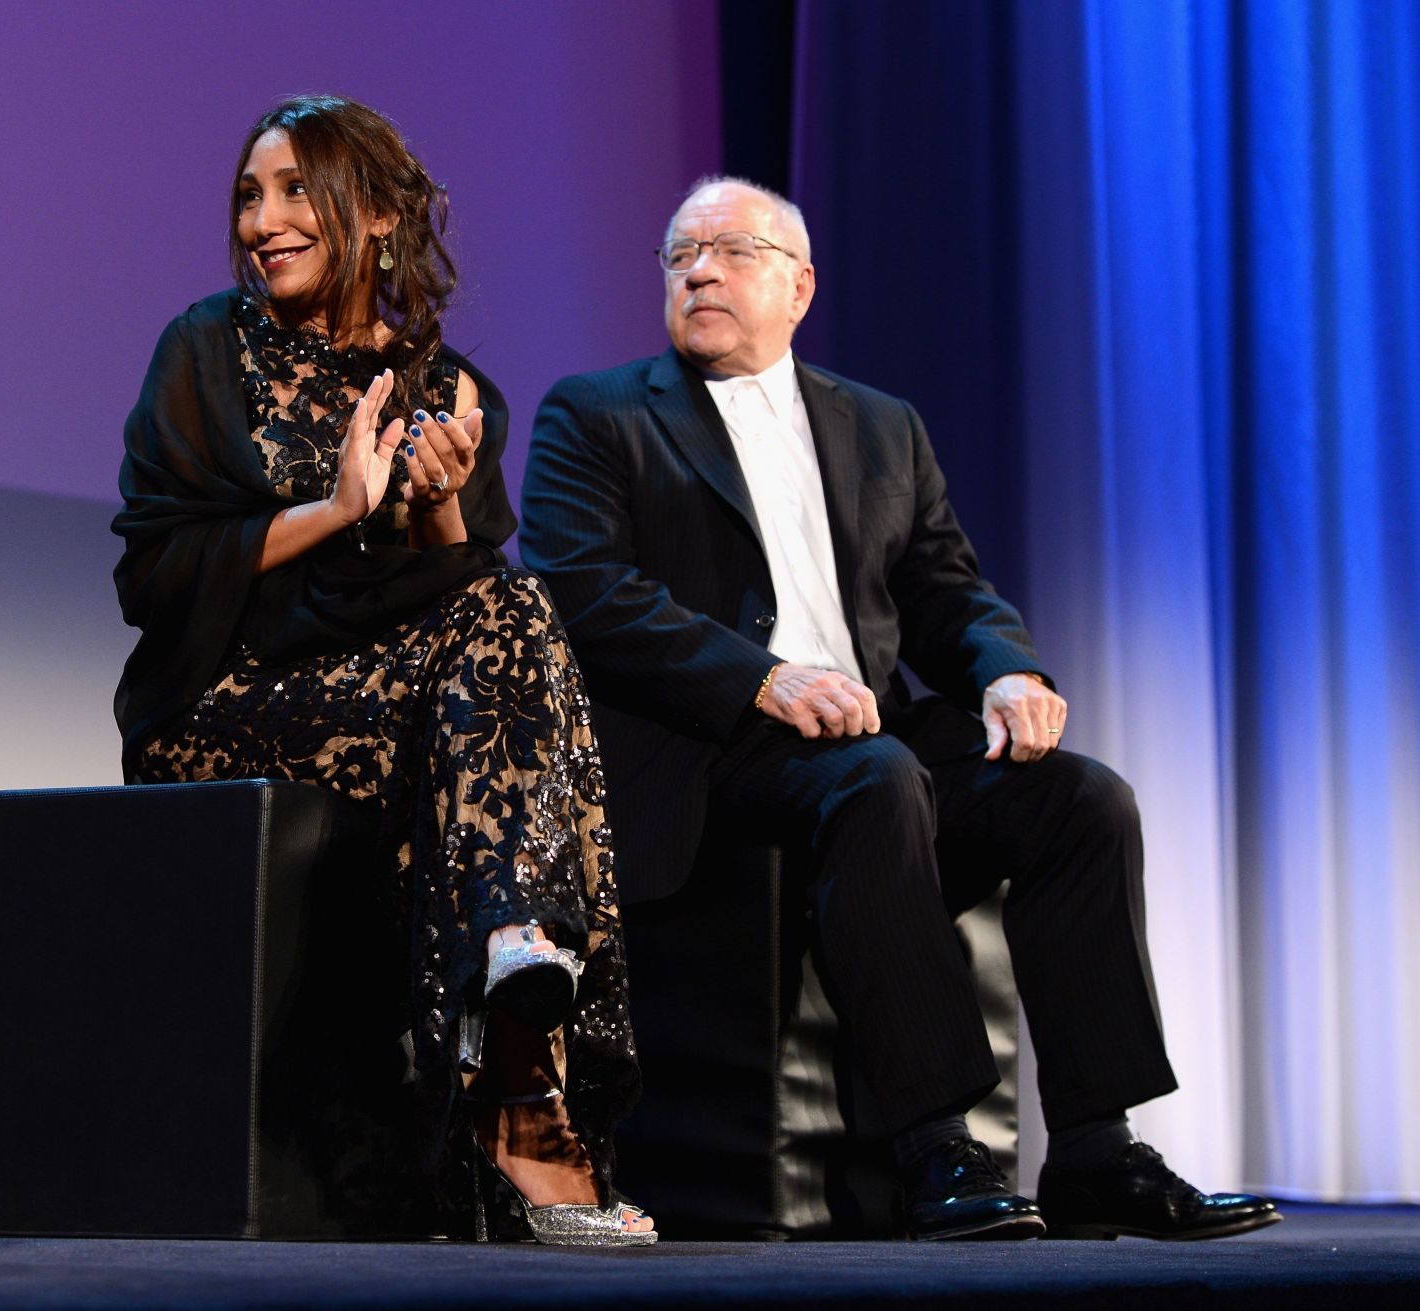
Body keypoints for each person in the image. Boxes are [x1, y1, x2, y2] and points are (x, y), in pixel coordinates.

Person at [519, 176, 1278, 1242]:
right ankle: (934, 1147)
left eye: (731, 250)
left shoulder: (879, 425)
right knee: (877, 780)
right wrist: (760, 676)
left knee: (1081, 800)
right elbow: (582, 590)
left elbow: (943, 590)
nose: (698, 271)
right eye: (679, 256)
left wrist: (1008, 669)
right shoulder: (596, 415)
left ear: (799, 285)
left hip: (871, 731)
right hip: (709, 748)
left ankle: (1099, 1151)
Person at [110, 95, 653, 1245]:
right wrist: (337, 508)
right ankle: (523, 1090)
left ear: (377, 215)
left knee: (505, 601)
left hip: (388, 694)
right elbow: (153, 580)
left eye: (297, 189)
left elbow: (453, 606)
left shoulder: (447, 390)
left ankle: (514, 992)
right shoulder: (206, 349)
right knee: (509, 619)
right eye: (250, 196)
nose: (265, 220)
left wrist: (441, 503)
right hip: (227, 696)